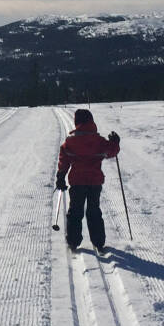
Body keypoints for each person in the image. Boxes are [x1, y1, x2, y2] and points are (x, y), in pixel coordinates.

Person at [54, 108, 121, 253]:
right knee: (94, 211)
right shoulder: (99, 141)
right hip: (94, 182)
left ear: (77, 122)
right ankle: (98, 242)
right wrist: (115, 142)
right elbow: (112, 151)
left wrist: (61, 176)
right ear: (91, 121)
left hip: (77, 182)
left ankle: (73, 241)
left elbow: (64, 159)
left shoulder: (70, 142)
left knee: (75, 211)